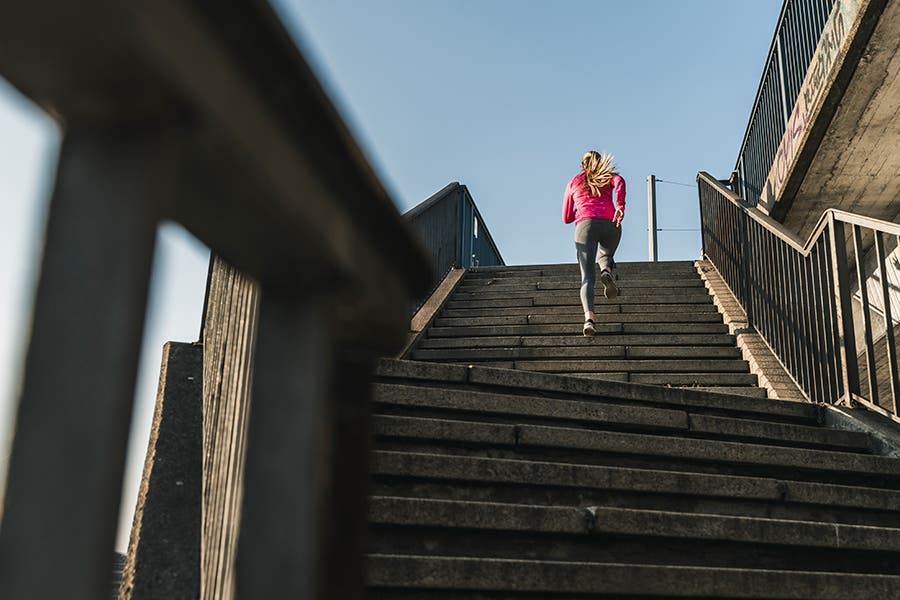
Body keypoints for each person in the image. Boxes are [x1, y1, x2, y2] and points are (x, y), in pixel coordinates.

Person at [562, 150, 626, 336]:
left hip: (586, 225)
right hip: (611, 224)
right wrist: (620, 205)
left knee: (587, 277)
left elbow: (566, 217)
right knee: (606, 254)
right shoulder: (609, 176)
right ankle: (606, 270)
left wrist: (582, 209)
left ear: (583, 165)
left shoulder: (574, 181)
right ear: (600, 163)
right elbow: (619, 182)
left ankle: (589, 320)